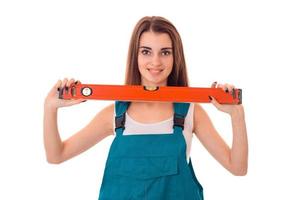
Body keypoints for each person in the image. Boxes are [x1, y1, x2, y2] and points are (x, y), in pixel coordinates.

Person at [44, 16, 248, 200]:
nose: (156, 61)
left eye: (165, 52)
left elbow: (237, 167)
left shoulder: (191, 113)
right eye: (146, 51)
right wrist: (50, 107)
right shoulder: (115, 115)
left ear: (175, 57)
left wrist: (237, 115)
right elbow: (57, 155)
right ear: (136, 56)